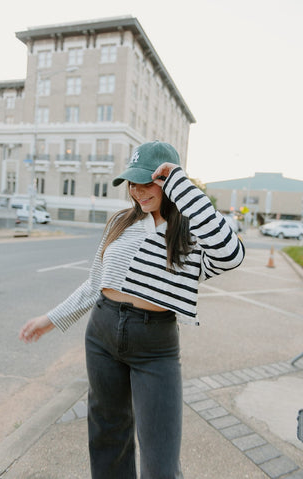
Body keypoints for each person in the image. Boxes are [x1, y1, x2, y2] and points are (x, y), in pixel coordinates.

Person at [19, 141, 245, 479]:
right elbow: (94, 283)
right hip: (102, 333)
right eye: (132, 182)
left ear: (171, 181)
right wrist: (50, 319)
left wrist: (182, 185)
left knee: (160, 463)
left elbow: (230, 255)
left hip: (156, 345)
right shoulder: (120, 223)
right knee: (107, 439)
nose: (138, 191)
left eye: (148, 181)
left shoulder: (193, 232)